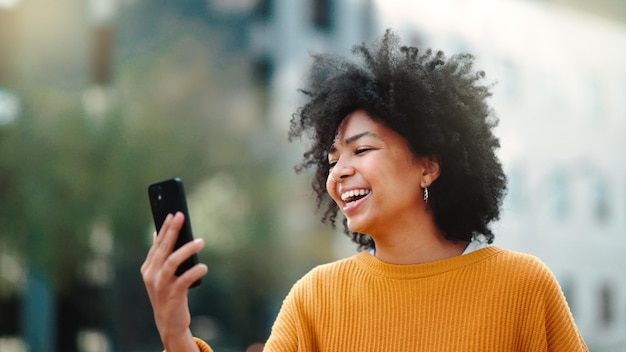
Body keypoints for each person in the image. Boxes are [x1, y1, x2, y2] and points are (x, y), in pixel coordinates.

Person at [141, 30, 588, 351]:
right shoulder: (316, 299)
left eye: (362, 150)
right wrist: (176, 334)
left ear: (428, 165)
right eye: (333, 159)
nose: (339, 172)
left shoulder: (524, 288)